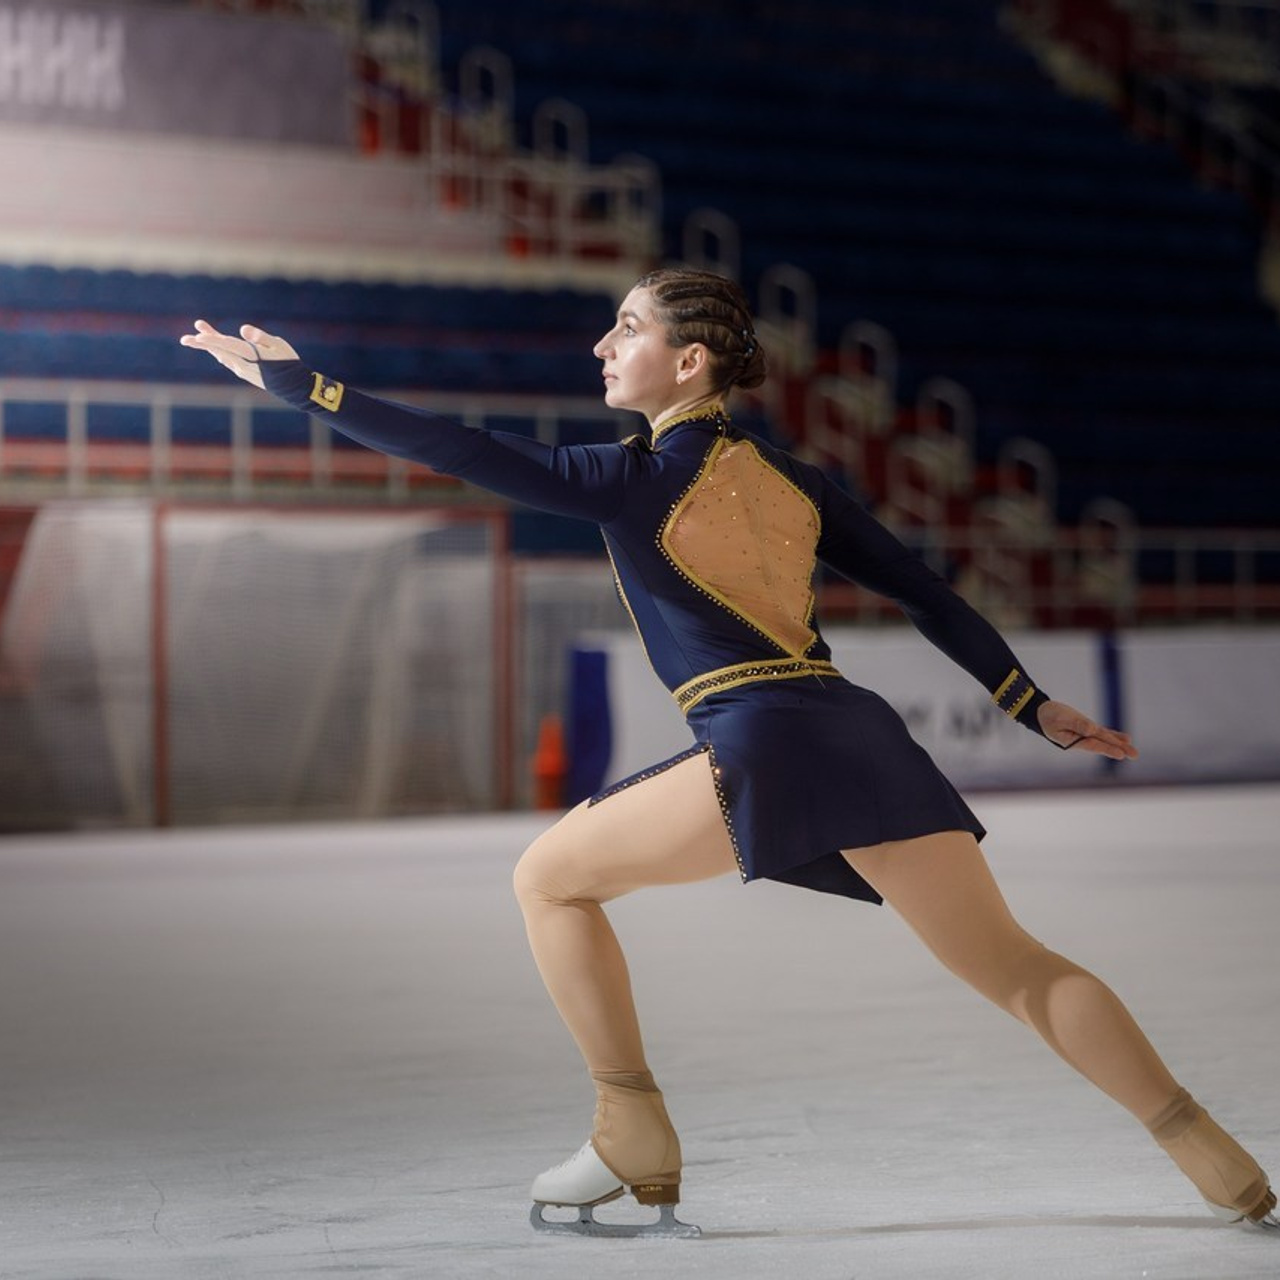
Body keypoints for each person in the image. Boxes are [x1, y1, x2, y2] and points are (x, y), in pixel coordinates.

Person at [181, 268, 1276, 1239]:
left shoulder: (628, 477)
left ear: (687, 359)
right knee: (1016, 965)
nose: (601, 348)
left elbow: (461, 449)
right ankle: (1210, 1155)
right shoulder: (796, 480)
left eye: (624, 329)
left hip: (763, 732)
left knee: (547, 879)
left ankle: (629, 1130)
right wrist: (1026, 701)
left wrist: (306, 387)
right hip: (858, 728)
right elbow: (925, 590)